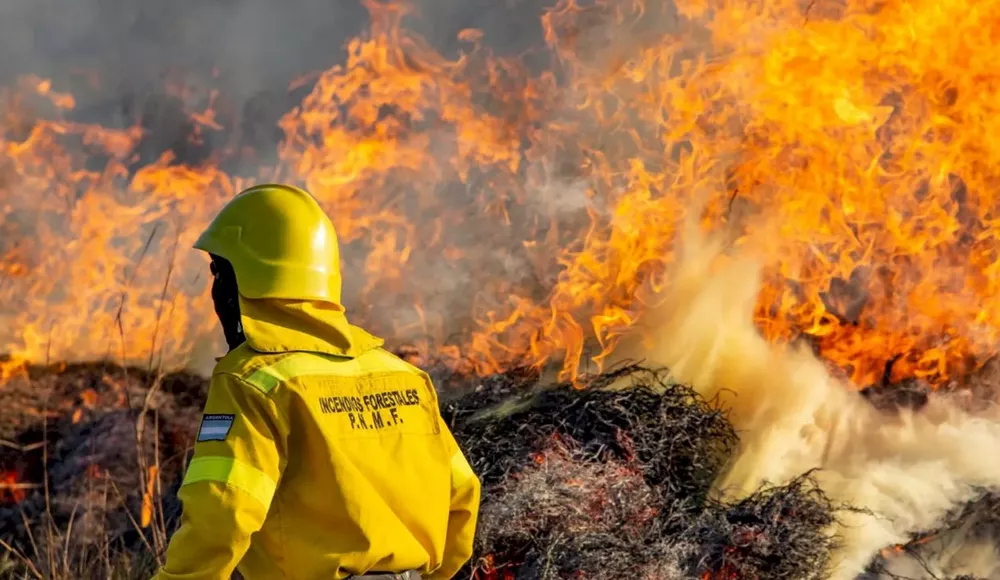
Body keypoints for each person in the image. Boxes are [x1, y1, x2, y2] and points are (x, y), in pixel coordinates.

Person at [152, 183, 480, 580]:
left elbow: (224, 511)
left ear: (247, 279)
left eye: (219, 272)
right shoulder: (403, 376)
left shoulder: (253, 382)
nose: (216, 288)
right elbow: (462, 496)